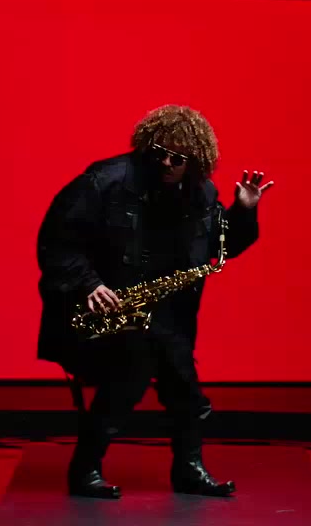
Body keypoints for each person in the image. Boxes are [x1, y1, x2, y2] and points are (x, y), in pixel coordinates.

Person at [36, 105, 274, 499]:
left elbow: (222, 248)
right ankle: (85, 471)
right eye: (159, 153)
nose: (166, 163)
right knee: (124, 385)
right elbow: (57, 240)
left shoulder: (202, 193)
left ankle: (189, 471)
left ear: (195, 160)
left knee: (186, 393)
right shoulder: (105, 181)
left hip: (169, 313)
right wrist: (89, 284)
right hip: (114, 307)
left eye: (178, 158)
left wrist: (244, 212)